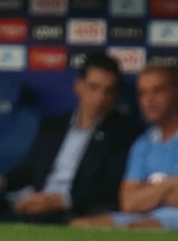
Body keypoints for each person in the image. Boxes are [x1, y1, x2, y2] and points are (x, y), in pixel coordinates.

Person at [0, 52, 141, 223]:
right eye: (93, 87)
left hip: (76, 212)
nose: (100, 98)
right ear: (79, 86)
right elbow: (29, 168)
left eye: (108, 91)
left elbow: (111, 188)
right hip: (36, 204)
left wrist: (63, 200)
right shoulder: (54, 126)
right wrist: (1, 182)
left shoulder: (122, 133)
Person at [73, 64, 178, 229]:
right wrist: (169, 185)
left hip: (170, 219)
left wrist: (150, 190)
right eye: (143, 93)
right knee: (80, 225)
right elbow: (129, 202)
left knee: (139, 228)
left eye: (158, 90)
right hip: (136, 217)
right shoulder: (143, 143)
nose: (149, 100)